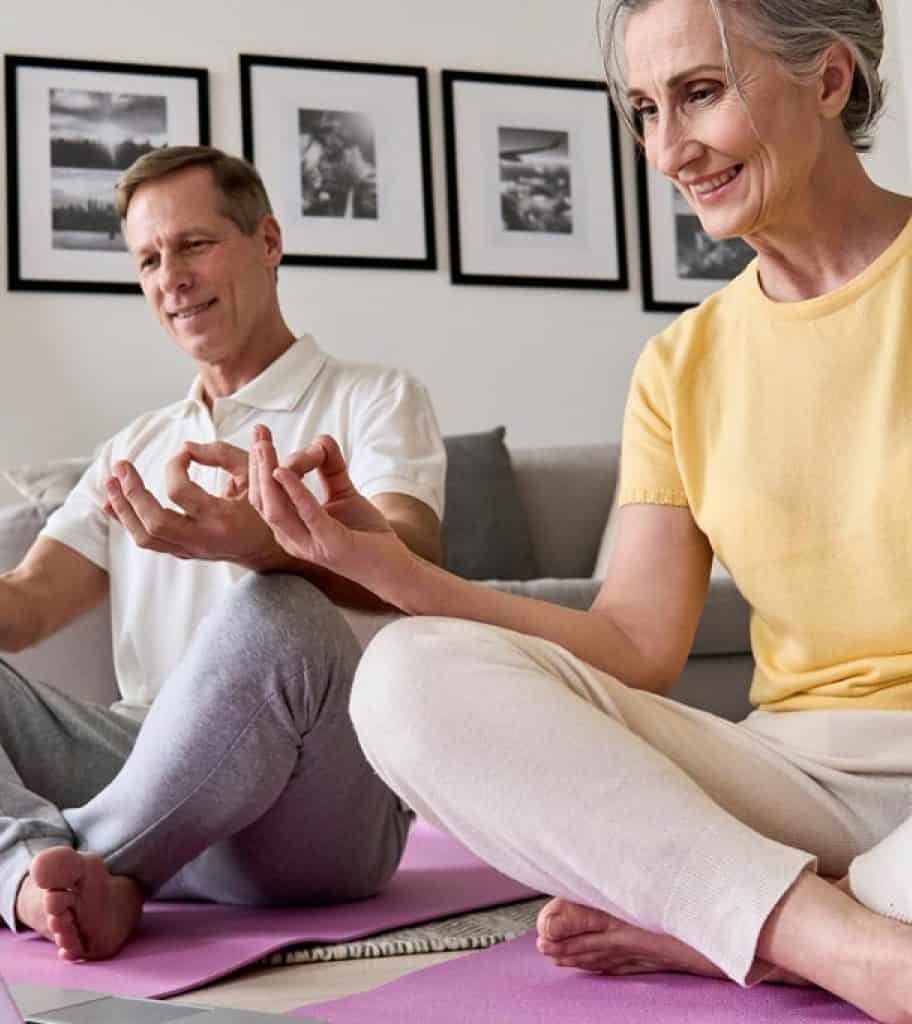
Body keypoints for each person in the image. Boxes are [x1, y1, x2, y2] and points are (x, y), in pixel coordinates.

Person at [241, 2, 912, 1020]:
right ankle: (830, 937)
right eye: (644, 110)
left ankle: (739, 917)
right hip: (798, 774)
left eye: (699, 93)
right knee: (407, 678)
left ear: (828, 81)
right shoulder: (679, 367)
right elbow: (633, 642)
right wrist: (383, 565)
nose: (668, 148)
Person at [0, 146, 444, 963]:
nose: (170, 277)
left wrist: (270, 548)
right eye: (149, 259)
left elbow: (414, 560)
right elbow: (24, 603)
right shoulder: (135, 446)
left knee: (278, 606)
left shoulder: (375, 397)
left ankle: (55, 862)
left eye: (193, 245)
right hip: (149, 770)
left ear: (268, 241)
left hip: (317, 806)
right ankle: (21, 875)